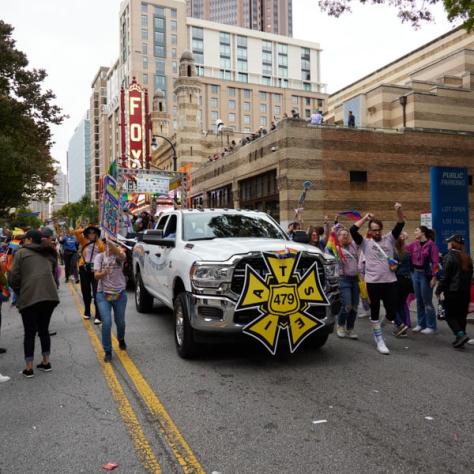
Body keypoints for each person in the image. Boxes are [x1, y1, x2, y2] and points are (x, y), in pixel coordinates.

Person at [350, 203, 406, 354]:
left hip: (390, 281)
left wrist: (398, 210)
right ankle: (379, 340)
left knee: (392, 311)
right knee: (374, 310)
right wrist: (365, 218)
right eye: (373, 230)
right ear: (370, 231)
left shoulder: (390, 239)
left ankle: (379, 328)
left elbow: (401, 223)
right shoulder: (365, 243)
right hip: (373, 282)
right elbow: (353, 230)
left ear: (381, 229)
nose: (376, 232)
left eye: (378, 229)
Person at [8, 230, 59, 378]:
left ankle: (29, 368)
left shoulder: (21, 253)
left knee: (29, 332)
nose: (23, 241)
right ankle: (46, 362)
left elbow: (13, 277)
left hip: (30, 295)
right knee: (43, 329)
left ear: (30, 239)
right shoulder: (49, 252)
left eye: (25, 239)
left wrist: (20, 290)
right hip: (50, 296)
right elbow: (53, 272)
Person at [435, 235, 473, 348]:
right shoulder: (467, 257)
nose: (447, 244)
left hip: (452, 291)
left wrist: (438, 290)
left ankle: (460, 335)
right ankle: (461, 337)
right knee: (461, 315)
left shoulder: (449, 256)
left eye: (449, 242)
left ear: (452, 244)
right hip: (465, 292)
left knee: (450, 315)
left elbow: (446, 276)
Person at [94, 239, 128, 362]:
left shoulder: (119, 255)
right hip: (103, 295)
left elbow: (122, 255)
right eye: (105, 243)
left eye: (110, 243)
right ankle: (107, 351)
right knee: (107, 323)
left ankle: (121, 338)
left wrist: (112, 243)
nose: (107, 245)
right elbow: (96, 276)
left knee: (120, 322)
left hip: (119, 295)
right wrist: (104, 273)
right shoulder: (99, 257)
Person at [406, 226, 439, 334]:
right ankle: (421, 324)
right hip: (415, 273)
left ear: (423, 233)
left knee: (427, 301)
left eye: (417, 230)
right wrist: (402, 239)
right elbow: (403, 249)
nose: (415, 232)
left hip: (426, 275)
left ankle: (431, 326)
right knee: (419, 300)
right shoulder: (414, 244)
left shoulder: (431, 245)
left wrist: (434, 278)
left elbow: (435, 263)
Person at [332, 228, 360, 339]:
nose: (345, 236)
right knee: (347, 305)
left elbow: (359, 237)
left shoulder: (353, 245)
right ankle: (340, 325)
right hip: (343, 279)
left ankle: (350, 328)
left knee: (355, 306)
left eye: (346, 234)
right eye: (342, 235)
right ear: (338, 237)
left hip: (355, 279)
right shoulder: (335, 248)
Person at [75, 225, 105, 324]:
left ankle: (98, 314)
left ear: (97, 234)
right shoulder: (84, 241)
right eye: (89, 233)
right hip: (84, 268)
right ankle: (87, 311)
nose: (91, 234)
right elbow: (76, 232)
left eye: (93, 232)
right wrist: (86, 228)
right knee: (85, 290)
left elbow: (103, 258)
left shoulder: (100, 244)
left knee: (97, 292)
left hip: (95, 270)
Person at [394, 232, 413, 333]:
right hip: (407, 280)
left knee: (393, 304)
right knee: (402, 303)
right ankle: (404, 325)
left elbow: (392, 268)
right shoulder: (407, 252)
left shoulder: (394, 253)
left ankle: (400, 324)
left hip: (397, 280)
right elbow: (411, 267)